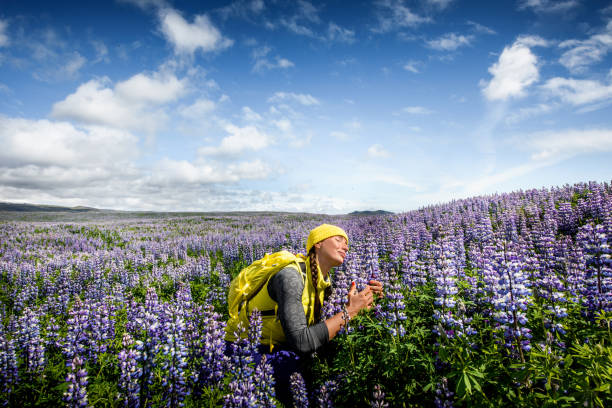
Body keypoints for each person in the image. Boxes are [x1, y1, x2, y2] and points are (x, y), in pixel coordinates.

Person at [224, 223, 383, 405]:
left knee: (332, 357)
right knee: (299, 372)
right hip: (245, 350)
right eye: (338, 239)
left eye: (347, 243)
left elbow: (319, 331)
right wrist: (350, 311)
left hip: (280, 344)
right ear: (318, 244)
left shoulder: (323, 283)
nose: (345, 246)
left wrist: (371, 302)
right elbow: (302, 341)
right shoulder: (290, 277)